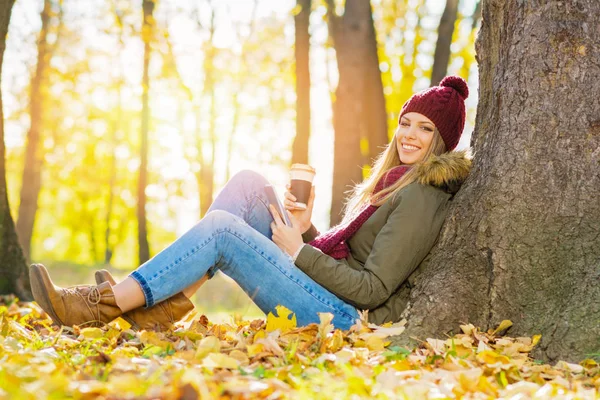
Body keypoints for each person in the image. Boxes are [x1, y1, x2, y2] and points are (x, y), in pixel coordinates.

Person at [30, 76, 472, 331]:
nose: (409, 135)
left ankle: (100, 305)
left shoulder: (422, 194)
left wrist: (298, 249)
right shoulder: (393, 182)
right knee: (247, 184)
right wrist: (309, 229)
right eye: (405, 123)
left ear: (443, 140)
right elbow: (352, 255)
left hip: (346, 318)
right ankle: (163, 307)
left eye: (425, 129)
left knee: (223, 228)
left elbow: (373, 288)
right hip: (327, 293)